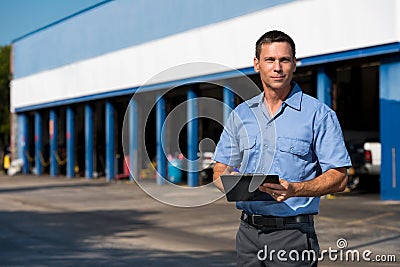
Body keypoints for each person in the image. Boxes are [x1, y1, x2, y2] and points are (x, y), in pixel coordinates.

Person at [213, 30, 351, 267]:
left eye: (284, 60)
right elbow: (219, 171)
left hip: (293, 235)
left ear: (294, 64)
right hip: (247, 235)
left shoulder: (318, 115)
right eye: (270, 60)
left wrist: (295, 189)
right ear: (257, 64)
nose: (277, 67)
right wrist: (233, 182)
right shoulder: (241, 115)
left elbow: (339, 178)